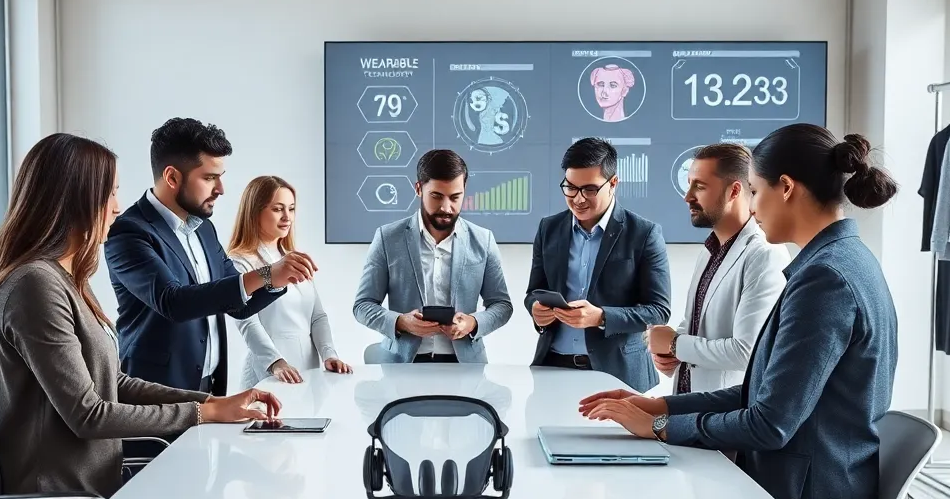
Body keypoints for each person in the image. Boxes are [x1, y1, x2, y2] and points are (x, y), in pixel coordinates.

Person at [579, 124, 899, 499]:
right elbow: (761, 392)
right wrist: (661, 404)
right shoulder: (841, 261)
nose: (754, 206)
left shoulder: (824, 280)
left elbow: (770, 424)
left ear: (785, 188)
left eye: (756, 190)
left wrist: (660, 426)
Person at [0, 133, 283, 499]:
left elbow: (115, 383)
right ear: (76, 199)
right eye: (111, 192)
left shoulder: (64, 280)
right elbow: (89, 414)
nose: (118, 205)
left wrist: (212, 403)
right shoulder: (36, 286)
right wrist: (203, 415)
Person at [104, 118, 317, 397]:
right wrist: (266, 274)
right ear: (172, 177)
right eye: (209, 178)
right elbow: (174, 302)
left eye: (220, 176)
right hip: (154, 391)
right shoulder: (129, 232)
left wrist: (277, 281)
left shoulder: (204, 229)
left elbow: (237, 305)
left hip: (209, 388)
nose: (221, 189)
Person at [525, 137, 672, 393]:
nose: (578, 199)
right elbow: (534, 292)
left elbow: (658, 310)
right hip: (553, 369)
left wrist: (602, 317)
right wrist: (536, 311)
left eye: (589, 189)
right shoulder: (548, 228)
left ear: (613, 183)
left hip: (618, 373)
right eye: (570, 188)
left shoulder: (644, 233)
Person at [648, 143, 790, 393]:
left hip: (726, 414)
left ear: (734, 190)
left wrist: (676, 344)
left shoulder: (765, 254)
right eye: (689, 183)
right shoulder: (710, 249)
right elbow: (700, 323)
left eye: (699, 186)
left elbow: (747, 351)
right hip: (690, 408)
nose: (687, 196)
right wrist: (673, 352)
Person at [353, 149, 513, 363]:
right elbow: (363, 305)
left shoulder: (483, 240)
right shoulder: (387, 238)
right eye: (436, 196)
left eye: (455, 197)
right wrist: (401, 322)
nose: (446, 207)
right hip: (402, 364)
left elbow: (502, 305)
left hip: (465, 365)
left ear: (464, 189)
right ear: (418, 188)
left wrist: (472, 323)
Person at [228, 175, 352, 387]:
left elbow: (317, 316)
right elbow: (247, 321)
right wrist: (276, 362)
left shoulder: (294, 258)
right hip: (269, 370)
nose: (287, 217)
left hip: (308, 370)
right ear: (255, 211)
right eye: (278, 209)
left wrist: (329, 355)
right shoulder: (239, 262)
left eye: (291, 209)